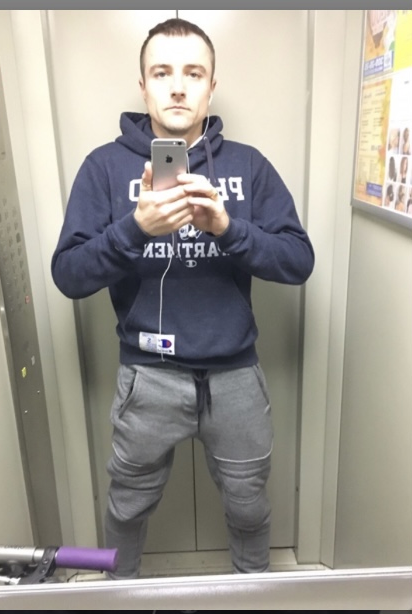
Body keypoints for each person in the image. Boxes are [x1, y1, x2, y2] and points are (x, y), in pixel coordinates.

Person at [51, 17, 315, 579]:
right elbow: (68, 275)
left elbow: (298, 261)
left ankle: (254, 596)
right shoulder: (103, 168)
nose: (177, 87)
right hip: (148, 376)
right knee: (126, 507)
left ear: (211, 87)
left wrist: (228, 228)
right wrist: (134, 229)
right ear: (142, 85)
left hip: (235, 374)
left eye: (193, 73)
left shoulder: (248, 165)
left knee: (249, 506)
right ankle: (118, 596)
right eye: (162, 73)